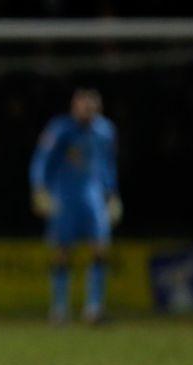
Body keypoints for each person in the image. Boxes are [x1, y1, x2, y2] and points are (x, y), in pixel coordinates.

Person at [29, 88, 121, 324]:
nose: (87, 112)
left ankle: (94, 308)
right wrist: (39, 188)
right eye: (83, 106)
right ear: (74, 107)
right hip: (65, 197)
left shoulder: (105, 131)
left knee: (100, 249)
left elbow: (107, 164)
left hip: (93, 198)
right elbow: (42, 159)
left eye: (92, 107)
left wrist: (112, 193)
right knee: (62, 252)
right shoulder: (60, 129)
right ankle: (59, 309)